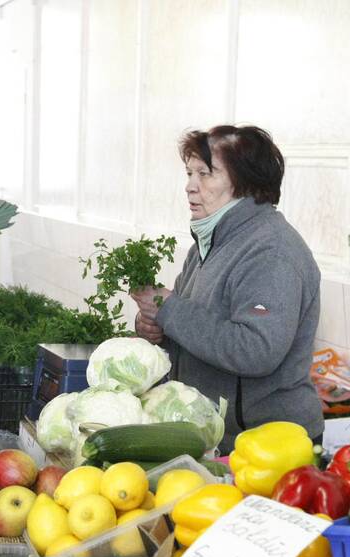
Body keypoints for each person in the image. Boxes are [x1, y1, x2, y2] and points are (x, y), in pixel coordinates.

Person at [132, 125, 322, 454]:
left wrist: (168, 308)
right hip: (220, 437)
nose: (190, 186)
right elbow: (194, 327)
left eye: (205, 174)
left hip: (270, 445)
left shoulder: (271, 252)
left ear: (244, 183)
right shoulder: (210, 242)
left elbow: (255, 350)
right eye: (189, 173)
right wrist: (155, 328)